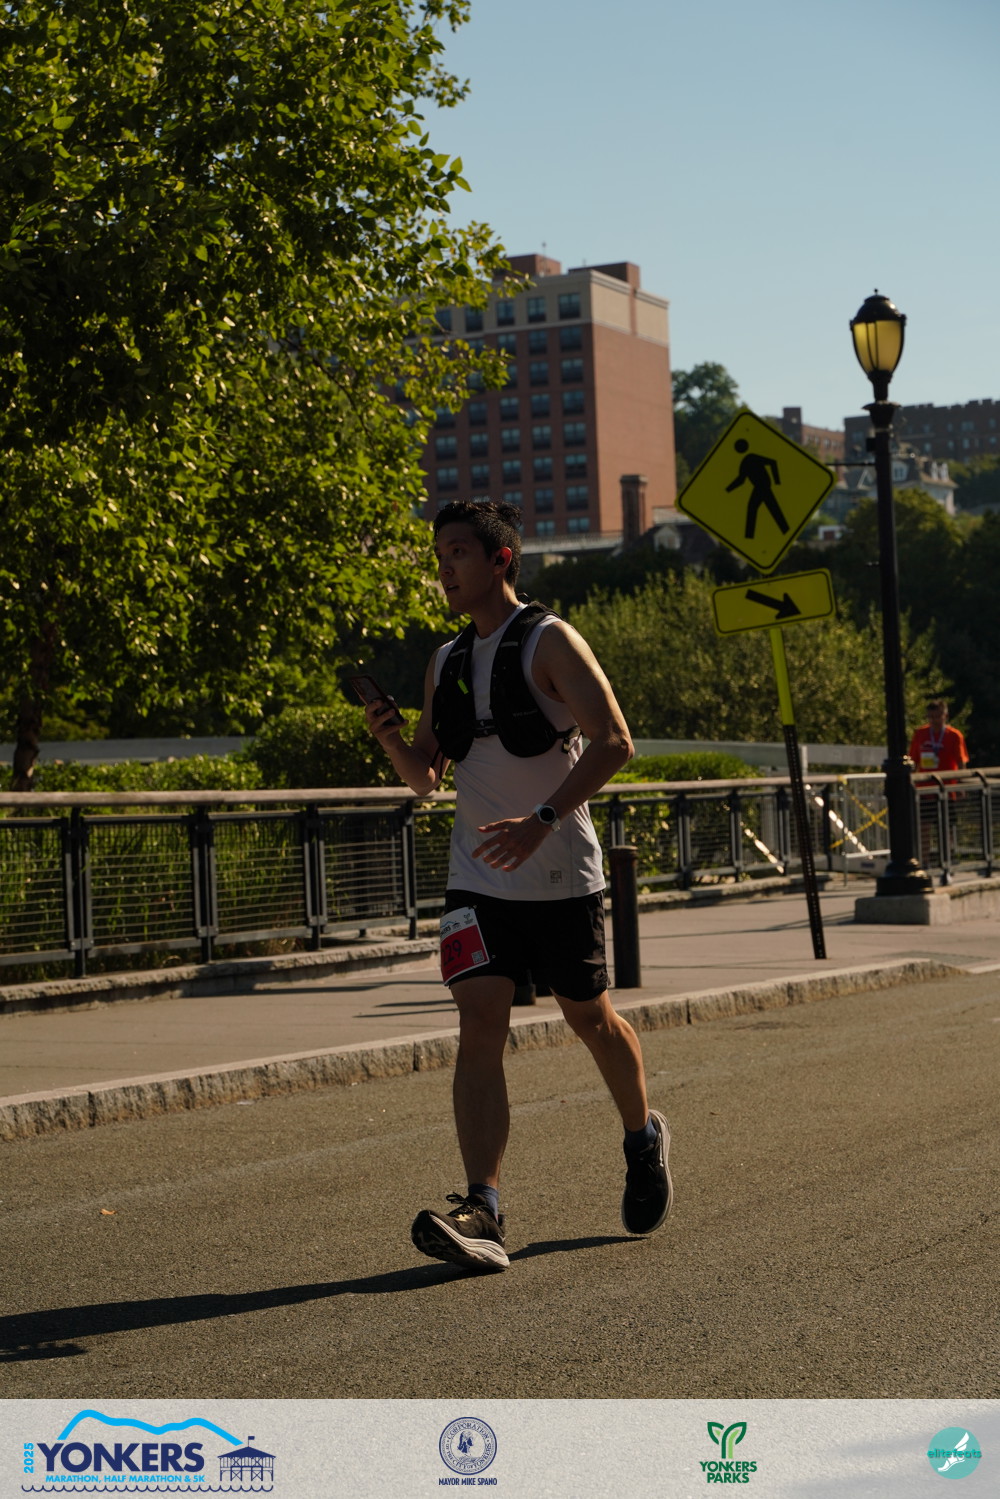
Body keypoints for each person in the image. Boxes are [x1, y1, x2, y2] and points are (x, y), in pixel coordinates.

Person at [363, 497, 671, 1273]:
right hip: (476, 878)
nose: (445, 570)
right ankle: (483, 1207)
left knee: (590, 1019)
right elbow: (426, 778)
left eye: (458, 554)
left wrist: (541, 818)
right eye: (439, 557)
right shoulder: (445, 660)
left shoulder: (549, 640)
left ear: (500, 558)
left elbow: (615, 742)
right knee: (478, 1023)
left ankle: (642, 1138)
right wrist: (393, 740)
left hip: (559, 869)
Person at [908, 699, 969, 773]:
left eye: (937, 716)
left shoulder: (954, 735)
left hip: (947, 779)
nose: (933, 720)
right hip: (925, 779)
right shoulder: (920, 733)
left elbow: (961, 763)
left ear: (946, 716)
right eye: (930, 717)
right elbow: (913, 761)